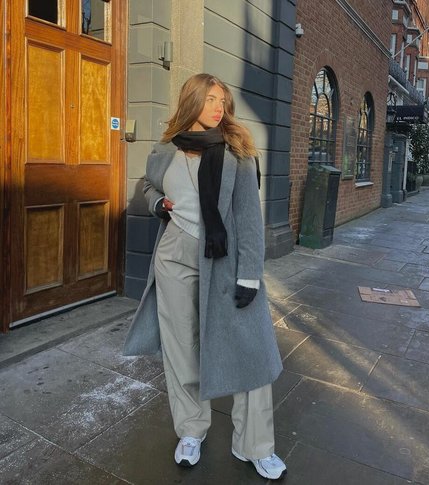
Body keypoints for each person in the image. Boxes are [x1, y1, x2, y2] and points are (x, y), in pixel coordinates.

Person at [123, 73, 286, 480]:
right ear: (192, 101)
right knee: (182, 349)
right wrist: (158, 202)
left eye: (222, 100)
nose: (218, 108)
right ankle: (191, 430)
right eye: (210, 99)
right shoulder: (167, 149)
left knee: (251, 352)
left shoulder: (237, 151)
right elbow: (148, 186)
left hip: (225, 261)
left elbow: (249, 218)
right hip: (175, 257)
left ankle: (256, 446)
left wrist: (250, 275)